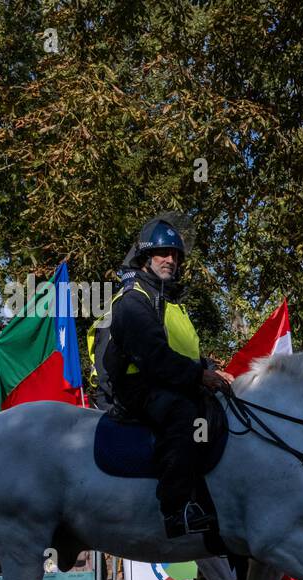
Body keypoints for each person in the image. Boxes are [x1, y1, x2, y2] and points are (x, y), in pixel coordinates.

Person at [103, 213, 234, 537]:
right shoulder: (133, 299)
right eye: (163, 253)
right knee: (183, 414)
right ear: (146, 257)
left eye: (175, 254)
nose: (170, 259)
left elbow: (185, 351)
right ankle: (176, 511)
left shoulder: (170, 301)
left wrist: (213, 371)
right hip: (140, 385)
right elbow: (153, 357)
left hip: (169, 379)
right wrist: (199, 376)